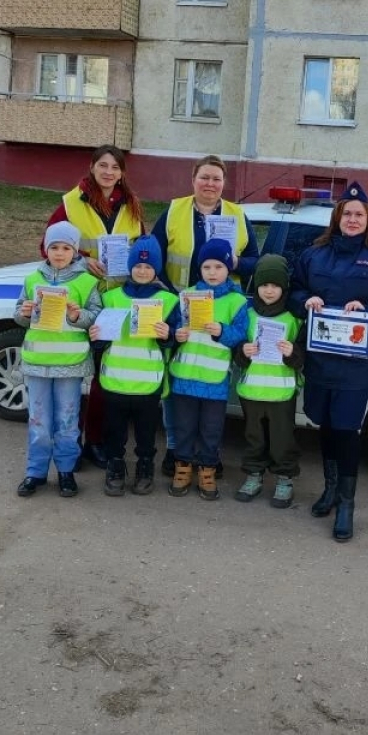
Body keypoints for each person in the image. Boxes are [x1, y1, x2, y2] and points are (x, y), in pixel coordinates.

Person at [290, 181, 368, 543]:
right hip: (319, 358)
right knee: (324, 423)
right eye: (347, 214)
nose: (353, 219)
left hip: (355, 363)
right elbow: (294, 289)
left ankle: (346, 503)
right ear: (337, 218)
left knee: (346, 429)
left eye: (359, 214)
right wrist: (305, 301)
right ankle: (329, 489)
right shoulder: (315, 253)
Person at [151, 155, 259, 479]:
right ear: (193, 180)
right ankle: (176, 451)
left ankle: (208, 457)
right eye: (205, 177)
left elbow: (255, 261)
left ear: (224, 184)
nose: (210, 184)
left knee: (212, 392)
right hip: (180, 306)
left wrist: (235, 262)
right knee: (178, 387)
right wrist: (169, 295)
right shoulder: (174, 210)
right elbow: (155, 253)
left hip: (220, 312)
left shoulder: (237, 214)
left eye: (216, 179)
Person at [44, 145, 146, 469]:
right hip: (81, 298)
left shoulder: (131, 206)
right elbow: (47, 246)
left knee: (103, 378)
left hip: (116, 302)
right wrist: (80, 260)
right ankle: (70, 446)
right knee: (75, 376)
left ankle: (96, 442)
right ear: (91, 167)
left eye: (115, 167)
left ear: (122, 173)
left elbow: (142, 249)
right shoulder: (71, 203)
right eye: (103, 165)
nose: (108, 172)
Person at [14, 221, 102, 499]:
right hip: (37, 363)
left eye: (66, 248)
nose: (60, 253)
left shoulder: (86, 282)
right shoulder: (32, 280)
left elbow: (95, 317)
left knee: (67, 422)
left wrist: (77, 316)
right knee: (38, 422)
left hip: (70, 365)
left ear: (75, 251)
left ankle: (66, 471)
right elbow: (18, 314)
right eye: (54, 247)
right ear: (46, 249)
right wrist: (24, 313)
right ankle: (35, 472)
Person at [92, 235, 181, 498]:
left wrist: (167, 335)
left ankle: (145, 466)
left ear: (157, 269)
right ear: (130, 267)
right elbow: (100, 341)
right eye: (138, 266)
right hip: (115, 379)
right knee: (114, 429)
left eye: (148, 266)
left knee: (146, 432)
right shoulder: (111, 298)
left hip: (148, 382)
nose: (142, 271)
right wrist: (95, 337)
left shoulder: (168, 300)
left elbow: (174, 340)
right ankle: (115, 466)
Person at [167, 238, 249, 501]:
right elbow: (173, 327)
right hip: (185, 376)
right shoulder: (187, 295)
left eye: (218, 267)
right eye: (206, 267)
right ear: (199, 269)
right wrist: (177, 334)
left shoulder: (237, 301)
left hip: (215, 380)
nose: (212, 272)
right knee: (184, 427)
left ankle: (207, 470)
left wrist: (222, 331)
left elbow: (241, 335)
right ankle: (182, 468)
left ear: (228, 269)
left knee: (211, 430)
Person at [233, 254, 305, 509]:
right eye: (264, 285)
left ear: (284, 287)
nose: (269, 290)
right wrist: (243, 351)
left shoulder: (293, 318)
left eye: (275, 285)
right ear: (256, 286)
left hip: (281, 394)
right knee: (254, 438)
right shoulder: (247, 314)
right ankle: (254, 475)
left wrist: (292, 352)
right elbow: (237, 353)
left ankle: (285, 479)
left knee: (282, 439)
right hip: (251, 391)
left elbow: (302, 358)